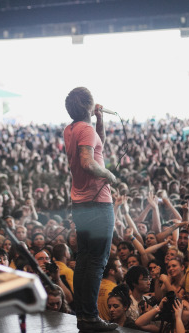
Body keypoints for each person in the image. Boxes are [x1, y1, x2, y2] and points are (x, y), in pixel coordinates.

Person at [63, 87, 117, 332]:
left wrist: (99, 120)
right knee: (96, 261)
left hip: (81, 203)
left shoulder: (72, 129)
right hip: (97, 202)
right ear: (87, 104)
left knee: (84, 260)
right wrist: (108, 174)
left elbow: (98, 146)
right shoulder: (85, 130)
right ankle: (91, 318)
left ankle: (83, 317)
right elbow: (88, 162)